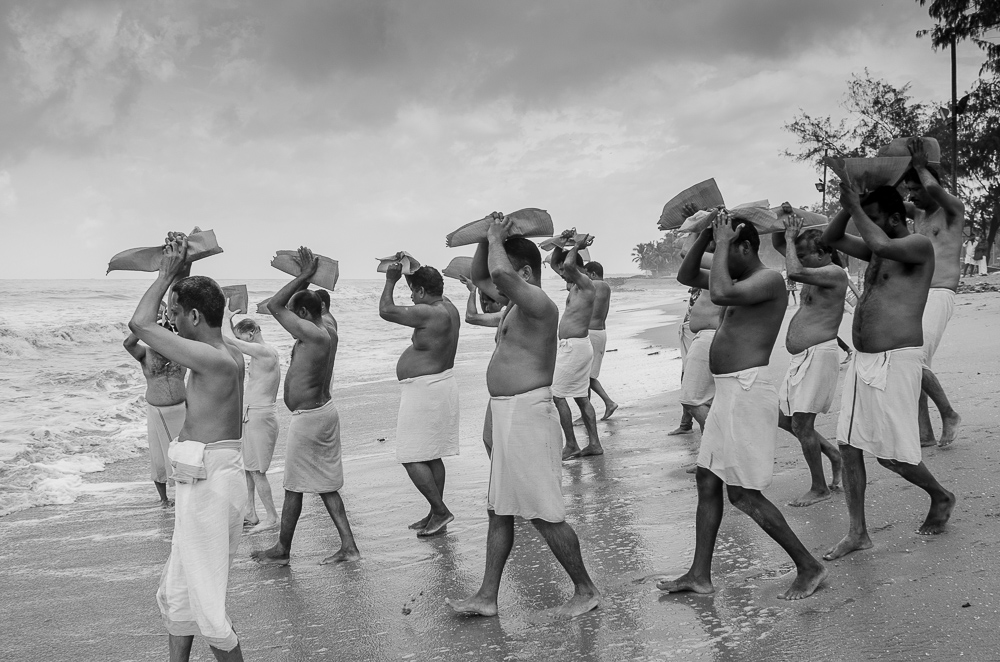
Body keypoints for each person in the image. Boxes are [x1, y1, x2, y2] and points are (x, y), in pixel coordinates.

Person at [658, 212, 827, 600]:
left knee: (744, 494)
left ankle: (809, 565)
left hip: (747, 392)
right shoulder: (738, 280)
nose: (718, 256)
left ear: (747, 247)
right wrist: (706, 236)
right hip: (729, 394)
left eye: (725, 248)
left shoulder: (767, 279)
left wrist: (719, 243)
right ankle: (699, 574)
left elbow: (719, 294)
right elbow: (687, 276)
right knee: (707, 480)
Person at [446, 213, 601, 619]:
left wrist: (496, 236)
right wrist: (484, 238)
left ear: (527, 273)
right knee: (498, 510)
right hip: (506, 412)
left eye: (510, 276)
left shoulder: (540, 305)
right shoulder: (513, 306)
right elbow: (487, 274)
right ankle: (486, 597)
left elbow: (498, 272)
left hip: (528, 414)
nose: (496, 287)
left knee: (544, 513)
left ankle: (586, 590)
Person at [821, 179, 956, 560]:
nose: (867, 223)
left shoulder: (917, 245)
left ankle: (940, 494)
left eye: (875, 216)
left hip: (896, 359)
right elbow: (832, 237)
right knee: (849, 446)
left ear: (896, 217)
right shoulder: (877, 249)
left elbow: (880, 243)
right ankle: (858, 533)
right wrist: (849, 206)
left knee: (891, 456)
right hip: (864, 362)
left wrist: (858, 209)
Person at [129, 238, 247, 661]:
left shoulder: (211, 358)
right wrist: (180, 271)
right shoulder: (225, 350)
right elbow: (168, 319)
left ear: (195, 316)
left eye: (176, 313)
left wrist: (164, 276)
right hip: (208, 479)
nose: (170, 320)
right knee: (177, 593)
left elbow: (141, 325)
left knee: (208, 606)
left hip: (211, 486)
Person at [252, 247, 361, 566]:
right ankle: (348, 546)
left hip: (310, 419)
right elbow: (299, 304)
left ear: (301, 315)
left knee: (293, 486)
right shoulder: (327, 324)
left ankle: (283, 549)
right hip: (321, 413)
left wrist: (302, 275)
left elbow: (274, 305)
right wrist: (307, 277)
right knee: (324, 485)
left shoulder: (314, 335)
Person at [379, 261, 461, 538]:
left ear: (424, 291)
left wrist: (390, 279)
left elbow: (386, 311)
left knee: (410, 455)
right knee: (431, 454)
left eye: (413, 292)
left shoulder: (428, 312)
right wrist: (411, 266)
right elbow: (431, 284)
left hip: (426, 390)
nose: (412, 298)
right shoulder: (449, 306)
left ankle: (440, 511)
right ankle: (434, 511)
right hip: (439, 385)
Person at [771, 214, 846, 507]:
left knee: (802, 424)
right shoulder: (814, 269)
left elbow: (793, 271)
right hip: (804, 358)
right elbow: (780, 243)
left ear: (823, 252)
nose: (797, 259)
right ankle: (832, 454)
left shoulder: (834, 273)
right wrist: (783, 223)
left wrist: (791, 240)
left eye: (804, 255)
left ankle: (819, 487)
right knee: (784, 419)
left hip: (819, 354)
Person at [902, 137, 963, 447]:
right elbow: (883, 206)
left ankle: (949, 414)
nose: (911, 195)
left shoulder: (952, 209)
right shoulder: (918, 215)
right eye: (909, 190)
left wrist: (920, 166)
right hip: (918, 295)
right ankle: (924, 433)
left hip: (940, 293)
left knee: (914, 360)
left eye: (916, 188)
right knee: (914, 361)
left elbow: (937, 190)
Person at [221, 308, 281, 533]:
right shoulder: (260, 352)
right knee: (248, 466)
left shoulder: (265, 351)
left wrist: (227, 317)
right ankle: (251, 511)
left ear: (253, 332)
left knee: (257, 470)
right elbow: (232, 342)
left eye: (242, 337)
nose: (239, 342)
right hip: (252, 413)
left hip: (260, 415)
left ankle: (272, 516)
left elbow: (228, 341)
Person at [123, 302, 187, 507]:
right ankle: (164, 499)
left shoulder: (181, 349)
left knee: (188, 455)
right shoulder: (145, 353)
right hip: (158, 411)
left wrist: (173, 318)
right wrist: (148, 323)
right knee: (159, 456)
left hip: (183, 409)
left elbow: (196, 336)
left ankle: (188, 492)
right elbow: (128, 344)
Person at [549, 231, 603, 459]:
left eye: (566, 270)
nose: (562, 273)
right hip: (575, 346)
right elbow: (556, 264)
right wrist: (561, 244)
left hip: (575, 348)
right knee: (581, 397)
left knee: (558, 395)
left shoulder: (587, 285)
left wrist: (577, 246)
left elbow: (569, 265)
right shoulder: (574, 286)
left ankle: (571, 444)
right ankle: (594, 444)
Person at [674, 242, 724, 435]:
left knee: (692, 395)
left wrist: (698, 225)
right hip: (700, 333)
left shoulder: (720, 267)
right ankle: (709, 451)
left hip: (708, 335)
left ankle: (716, 442)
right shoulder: (717, 270)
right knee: (702, 394)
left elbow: (686, 252)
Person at [459, 275, 504, 457]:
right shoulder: (505, 315)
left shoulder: (505, 314)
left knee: (492, 439)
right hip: (500, 390)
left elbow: (471, 317)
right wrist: (474, 292)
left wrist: (472, 291)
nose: (485, 307)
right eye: (481, 301)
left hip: (507, 391)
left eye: (487, 302)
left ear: (499, 302)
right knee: (489, 438)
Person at [583, 261, 618, 419]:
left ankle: (608, 402)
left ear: (593, 274)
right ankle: (587, 413)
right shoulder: (605, 286)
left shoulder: (597, 284)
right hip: (599, 332)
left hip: (593, 333)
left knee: (586, 376)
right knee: (586, 376)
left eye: (585, 275)